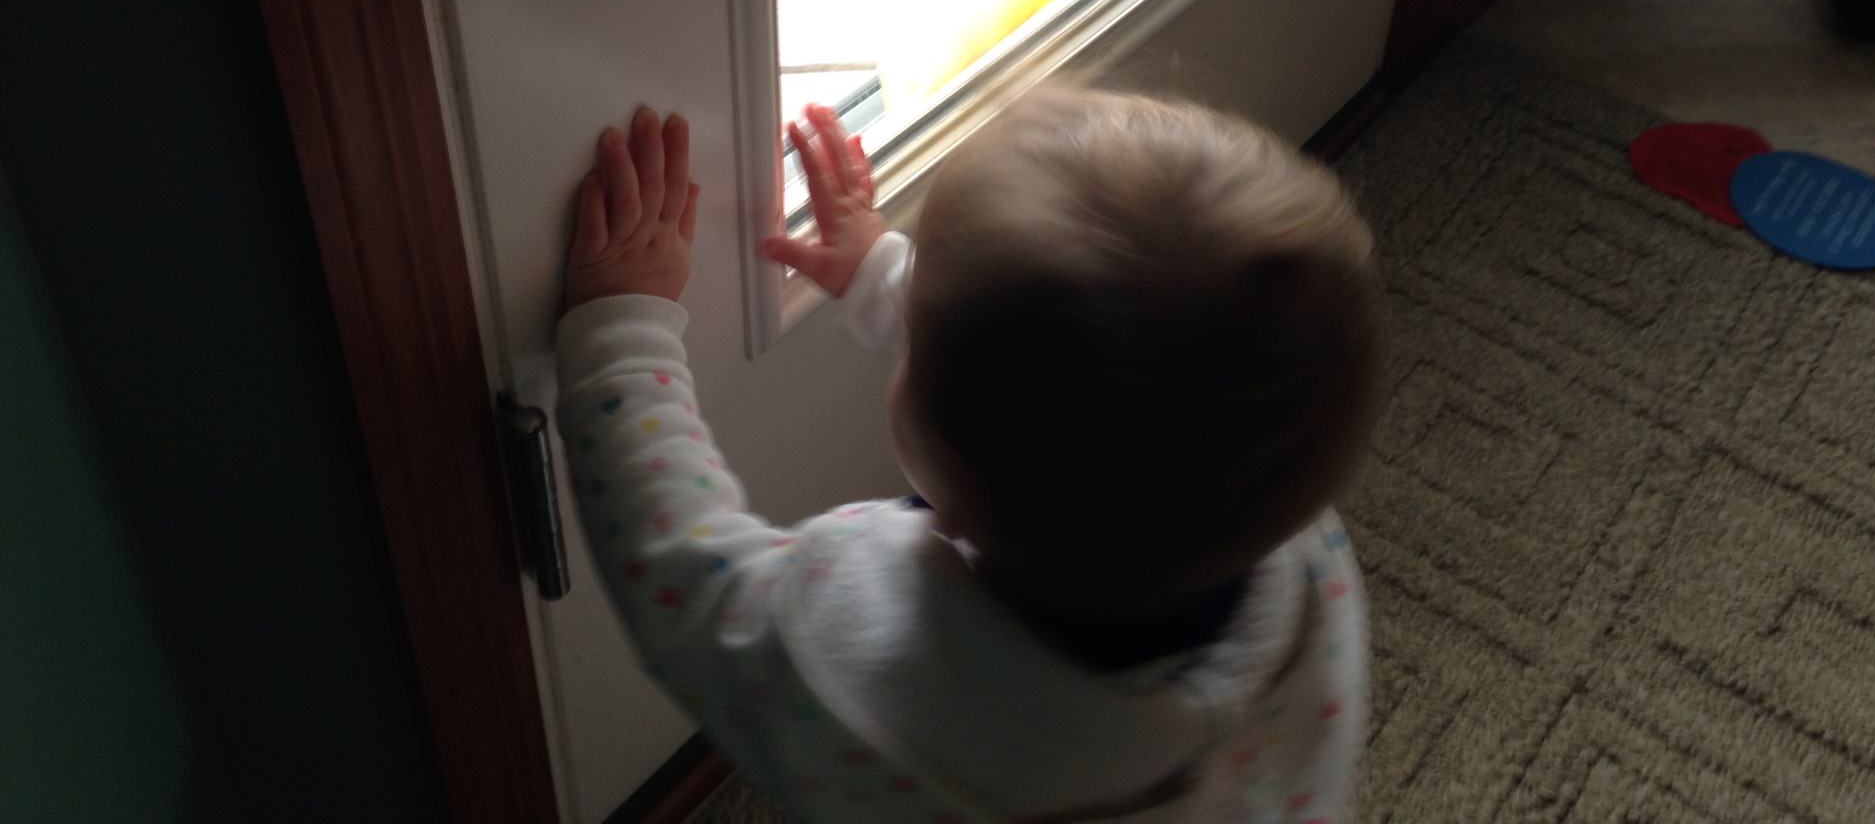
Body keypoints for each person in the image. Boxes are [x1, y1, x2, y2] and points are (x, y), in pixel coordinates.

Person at [555, 88, 1387, 822]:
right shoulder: (1278, 525)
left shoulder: (876, 673)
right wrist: (883, 272)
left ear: (948, 481)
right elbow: (1076, 398)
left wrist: (622, 330)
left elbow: (683, 575)